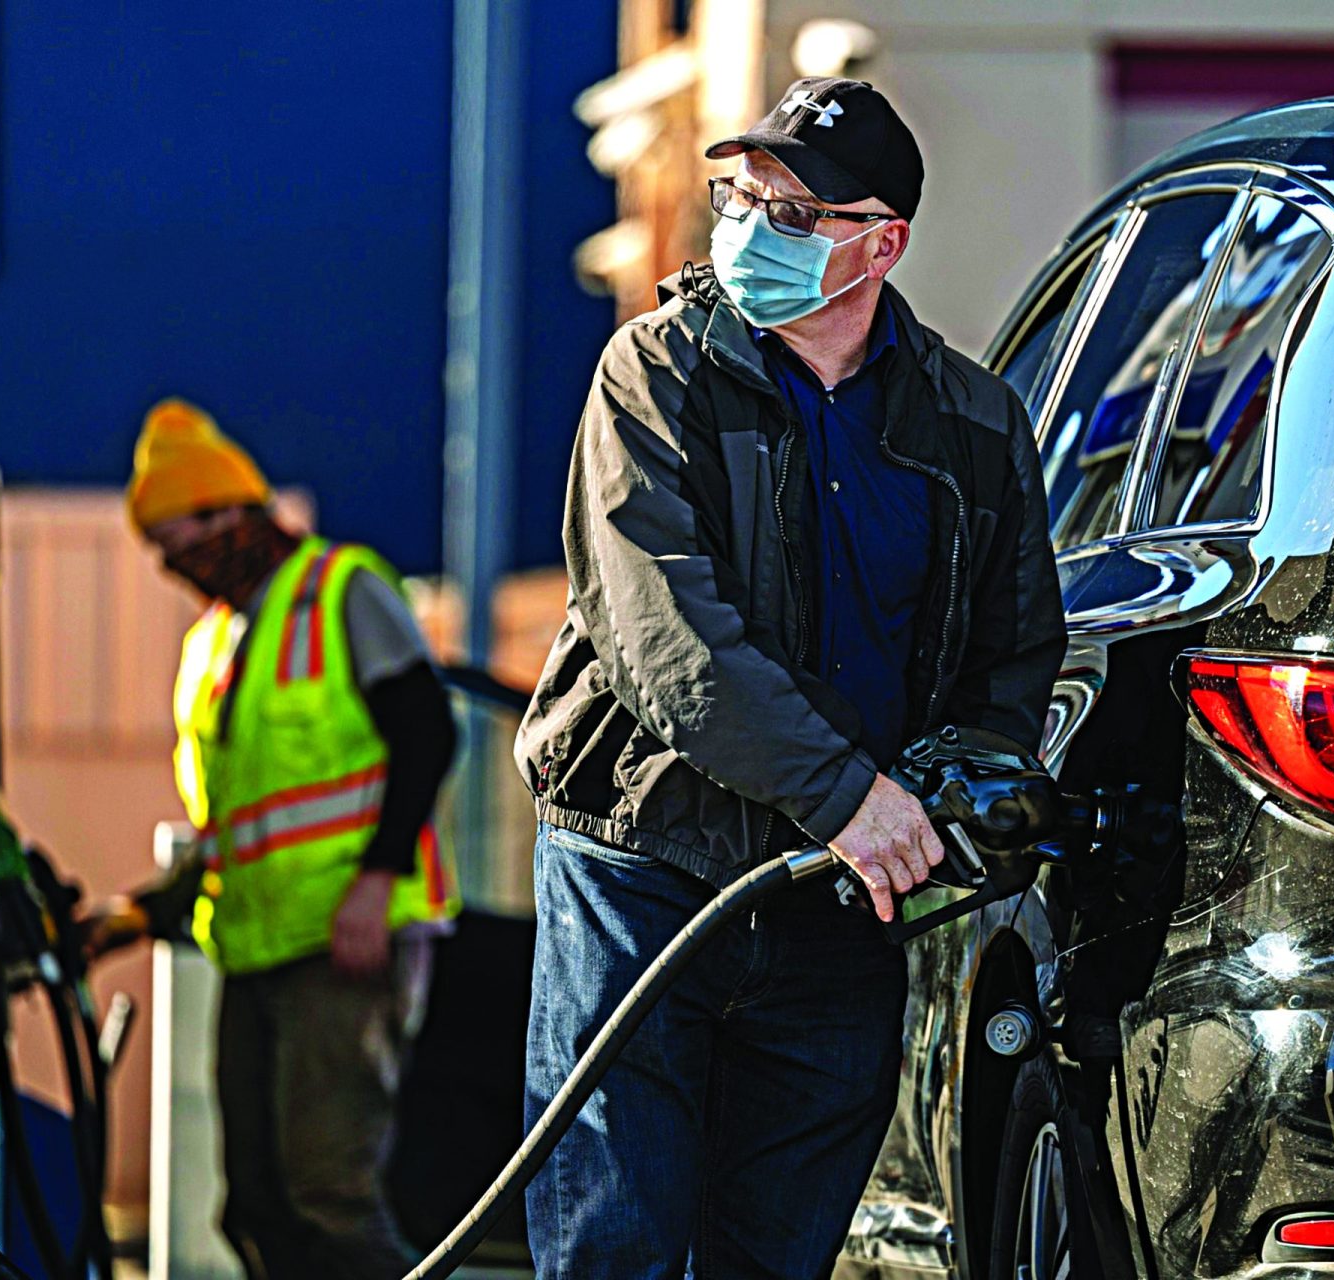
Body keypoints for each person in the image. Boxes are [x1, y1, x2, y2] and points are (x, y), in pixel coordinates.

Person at [515, 77, 1066, 1278]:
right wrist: (850, 800)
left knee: (783, 1251)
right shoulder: (652, 375)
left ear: (883, 244)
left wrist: (952, 784)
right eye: (742, 194)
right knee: (615, 1240)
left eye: (793, 210)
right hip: (645, 868)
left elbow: (1013, 652)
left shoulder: (970, 422)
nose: (750, 226)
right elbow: (667, 634)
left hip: (835, 901)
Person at [84, 399, 460, 1280]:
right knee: (253, 1200)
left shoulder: (343, 590)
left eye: (192, 535)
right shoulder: (215, 645)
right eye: (168, 552)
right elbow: (235, 831)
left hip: (346, 945)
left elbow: (427, 734)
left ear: (237, 513)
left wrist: (374, 883)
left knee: (325, 1199)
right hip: (256, 950)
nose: (184, 564)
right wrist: (134, 917)